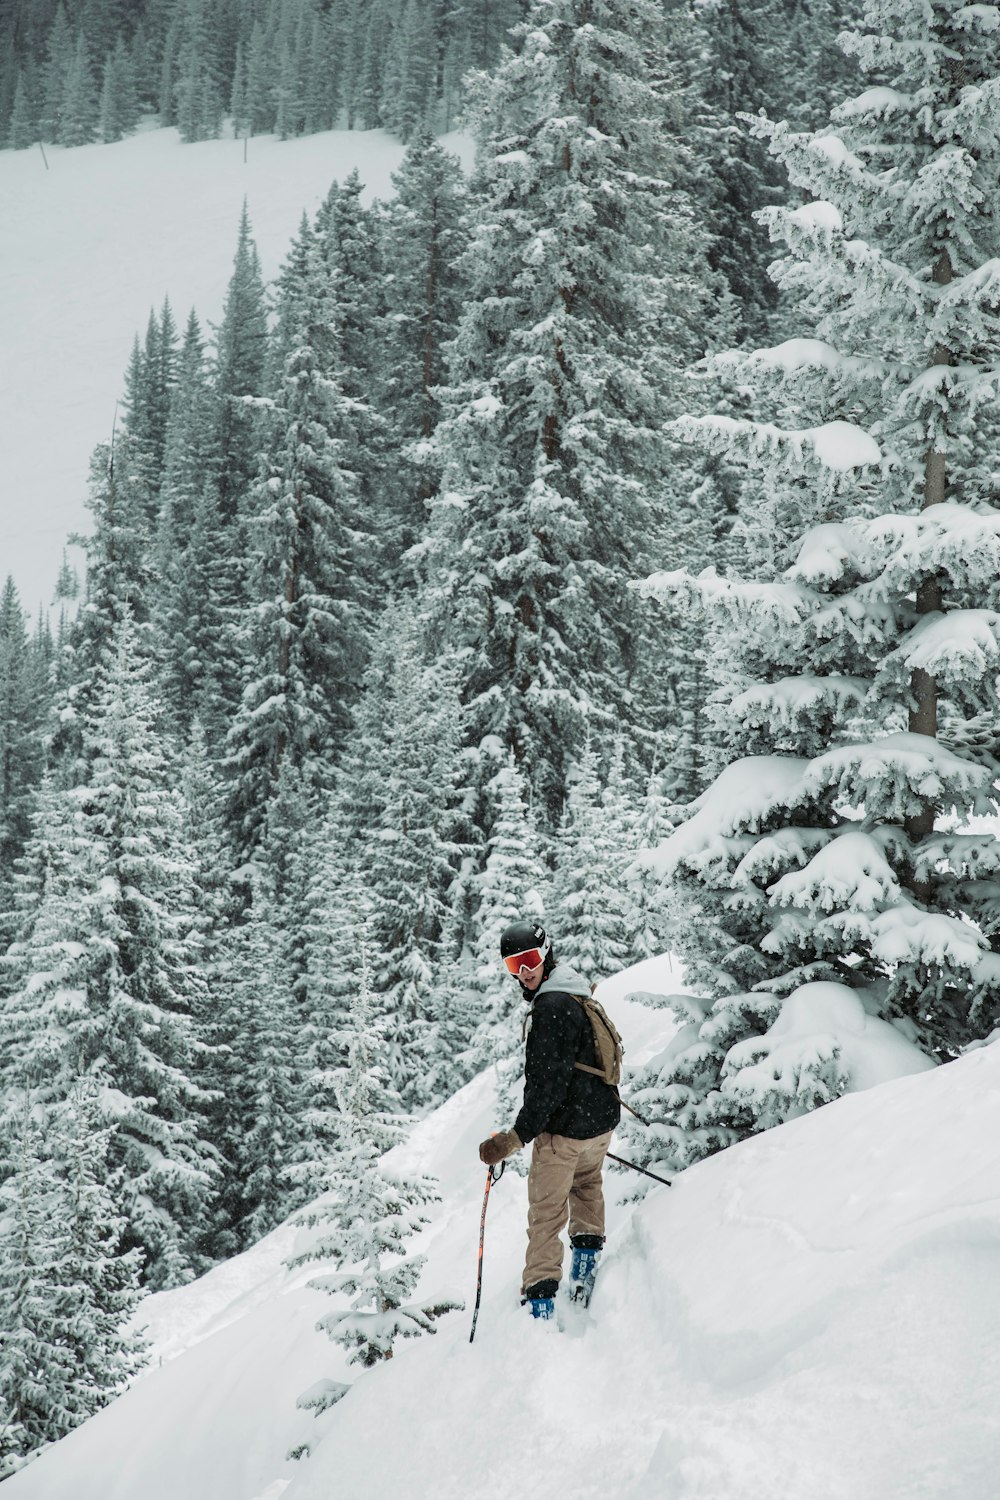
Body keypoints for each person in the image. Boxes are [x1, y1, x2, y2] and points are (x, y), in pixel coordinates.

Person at [478, 920, 620, 1319]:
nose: (524, 972)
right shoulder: (574, 992)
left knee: (546, 1213)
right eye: (514, 965)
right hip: (600, 1125)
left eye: (530, 960)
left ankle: (540, 1302)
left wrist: (514, 1138)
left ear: (545, 954)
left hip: (565, 1134)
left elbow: (546, 1087)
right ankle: (584, 1270)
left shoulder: (550, 1009)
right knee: (588, 1187)